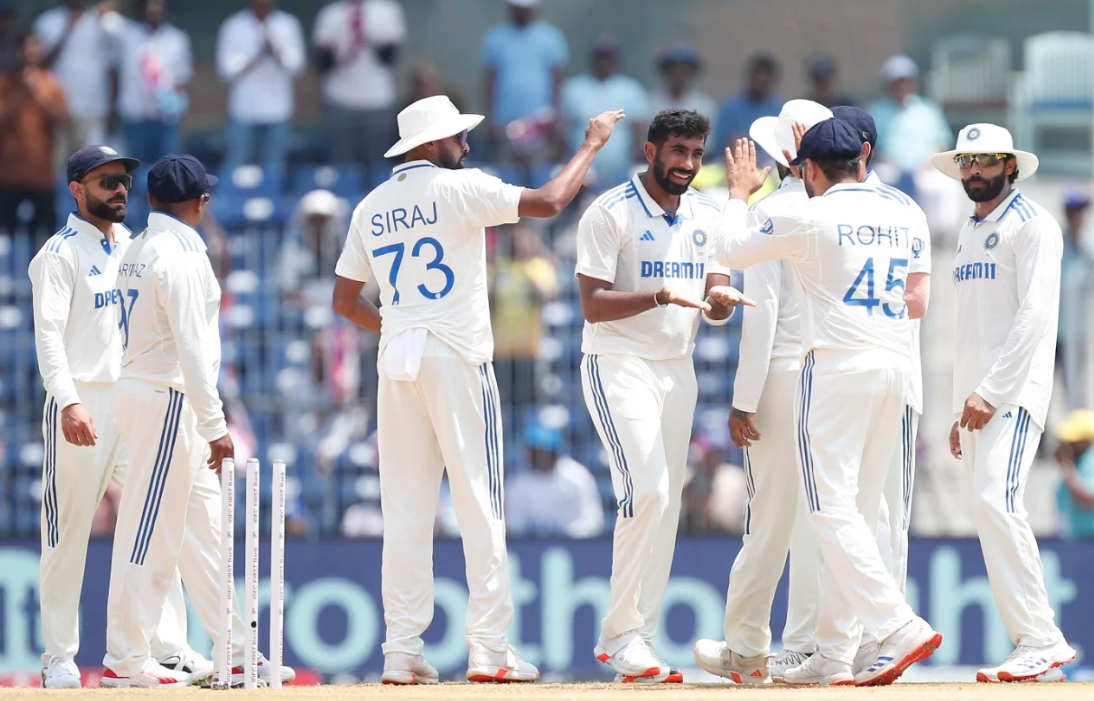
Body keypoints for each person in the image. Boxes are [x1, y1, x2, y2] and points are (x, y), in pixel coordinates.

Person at [331, 95, 624, 685]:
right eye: (457, 138)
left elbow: (344, 301)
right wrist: (591, 144)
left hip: (397, 361)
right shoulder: (458, 189)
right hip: (457, 356)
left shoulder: (370, 205)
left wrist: (396, 324)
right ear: (430, 145)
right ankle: (489, 649)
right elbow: (550, 200)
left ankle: (400, 650)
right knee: (479, 504)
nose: (466, 146)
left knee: (407, 512)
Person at [716, 123, 940, 686]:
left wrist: (740, 193)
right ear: (861, 161)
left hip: (837, 367)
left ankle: (896, 625)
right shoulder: (904, 211)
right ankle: (837, 654)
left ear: (809, 170)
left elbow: (731, 248)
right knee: (858, 515)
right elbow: (919, 297)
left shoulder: (809, 215)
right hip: (894, 366)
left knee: (827, 509)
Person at [103, 154, 295, 687]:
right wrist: (217, 426)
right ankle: (124, 659)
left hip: (159, 394)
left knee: (203, 533)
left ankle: (234, 649)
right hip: (169, 399)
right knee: (150, 532)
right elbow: (192, 348)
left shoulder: (138, 248)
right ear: (200, 203)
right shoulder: (181, 258)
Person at [574, 109, 748, 683]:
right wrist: (660, 296)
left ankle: (638, 639)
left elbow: (716, 283)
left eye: (697, 154)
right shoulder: (609, 211)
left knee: (666, 506)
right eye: (678, 152)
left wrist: (721, 301)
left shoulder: (707, 210)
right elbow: (593, 303)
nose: (688, 165)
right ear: (650, 152)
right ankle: (618, 634)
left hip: (679, 368)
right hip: (618, 362)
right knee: (645, 491)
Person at [29, 145, 204, 688]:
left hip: (134, 397)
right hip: (82, 401)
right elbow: (48, 340)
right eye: (106, 181)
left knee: (157, 524)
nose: (120, 189)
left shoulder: (135, 245)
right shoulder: (57, 255)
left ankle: (168, 647)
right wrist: (68, 402)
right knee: (66, 535)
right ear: (76, 188)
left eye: (124, 180)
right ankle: (59, 657)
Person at [691, 99, 832, 684]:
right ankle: (814, 648)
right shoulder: (841, 212)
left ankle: (748, 650)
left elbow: (762, 314)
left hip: (780, 376)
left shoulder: (773, 211)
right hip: (832, 375)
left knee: (767, 520)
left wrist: (743, 400)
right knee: (823, 518)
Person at [932, 123, 1077, 682]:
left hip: (1013, 394)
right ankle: (1033, 650)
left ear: (1010, 165)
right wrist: (958, 407)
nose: (974, 172)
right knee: (988, 511)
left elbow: (1034, 319)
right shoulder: (969, 230)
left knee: (998, 501)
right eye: (966, 163)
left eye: (985, 161)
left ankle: (1042, 638)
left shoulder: (1032, 224)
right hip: (976, 400)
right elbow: (972, 329)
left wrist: (991, 393)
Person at [313, 0, 406, 175]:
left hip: (377, 99)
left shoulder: (388, 11)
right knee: (341, 165)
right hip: (339, 97)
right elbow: (322, 64)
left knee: (376, 163)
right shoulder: (331, 14)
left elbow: (390, 58)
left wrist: (370, 38)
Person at [215, 0, 305, 171]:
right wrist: (252, 59)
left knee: (274, 169)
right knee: (237, 167)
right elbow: (224, 69)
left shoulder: (287, 24)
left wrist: (276, 52)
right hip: (243, 109)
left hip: (278, 109)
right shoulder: (234, 26)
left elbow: (297, 66)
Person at [0, 31, 68, 240]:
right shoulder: (6, 83)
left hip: (42, 175)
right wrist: (22, 93)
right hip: (9, 174)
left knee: (45, 233)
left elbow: (65, 119)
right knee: (7, 234)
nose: (31, 52)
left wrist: (37, 94)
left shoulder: (50, 83)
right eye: (27, 47)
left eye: (36, 46)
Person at [481, 0, 567, 163]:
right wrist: (489, 120)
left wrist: (557, 117)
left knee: (539, 180)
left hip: (540, 125)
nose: (522, 12)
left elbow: (557, 81)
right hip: (504, 125)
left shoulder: (550, 38)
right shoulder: (495, 38)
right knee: (505, 180)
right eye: (518, 8)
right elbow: (489, 82)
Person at [32, 0, 117, 165]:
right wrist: (67, 30)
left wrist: (112, 108)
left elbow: (111, 68)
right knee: (56, 168)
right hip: (56, 110)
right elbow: (40, 63)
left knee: (90, 169)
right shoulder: (47, 22)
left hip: (93, 110)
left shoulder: (102, 23)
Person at [110, 0, 192, 168]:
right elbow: (103, 13)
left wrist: (167, 91)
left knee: (168, 171)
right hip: (135, 116)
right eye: (150, 4)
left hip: (166, 118)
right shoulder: (126, 34)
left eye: (158, 4)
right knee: (133, 170)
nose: (154, 9)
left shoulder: (177, 39)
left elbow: (183, 79)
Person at [562, 38, 649, 187]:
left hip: (622, 168)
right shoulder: (574, 88)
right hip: (583, 168)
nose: (603, 62)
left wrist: (634, 162)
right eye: (600, 57)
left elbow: (638, 131)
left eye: (608, 57)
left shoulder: (631, 89)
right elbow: (564, 130)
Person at [505, 420, 604, 538]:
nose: (534, 455)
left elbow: (593, 520)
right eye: (532, 450)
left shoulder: (577, 477)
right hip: (530, 549)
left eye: (540, 450)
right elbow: (514, 526)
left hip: (576, 547)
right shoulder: (518, 483)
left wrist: (566, 534)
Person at [868, 56, 952, 184]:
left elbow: (943, 142)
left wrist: (931, 163)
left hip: (926, 170)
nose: (902, 86)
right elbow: (870, 147)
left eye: (905, 81)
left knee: (945, 185)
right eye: (897, 82)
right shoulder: (876, 111)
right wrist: (883, 159)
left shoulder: (929, 109)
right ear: (888, 85)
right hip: (889, 170)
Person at [1058, 190, 1092, 410]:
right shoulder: (1057, 244)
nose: (1079, 217)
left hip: (1076, 333)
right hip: (1051, 334)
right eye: (1075, 212)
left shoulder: (1088, 248)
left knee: (1074, 391)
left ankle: (1076, 441)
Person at [712, 54, 782, 157]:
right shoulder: (730, 106)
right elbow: (718, 146)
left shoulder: (780, 108)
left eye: (765, 74)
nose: (760, 78)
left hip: (771, 169)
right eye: (757, 73)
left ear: (772, 79)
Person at [648, 45, 717, 135]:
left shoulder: (704, 106)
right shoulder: (650, 102)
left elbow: (708, 144)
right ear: (667, 71)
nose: (680, 75)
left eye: (684, 70)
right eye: (675, 69)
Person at [1054, 409, 1094, 540]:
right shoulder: (1077, 463)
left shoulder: (1090, 461)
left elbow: (1087, 500)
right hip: (1075, 539)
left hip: (1089, 540)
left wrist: (1067, 466)